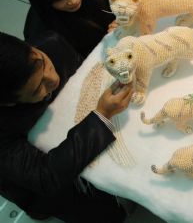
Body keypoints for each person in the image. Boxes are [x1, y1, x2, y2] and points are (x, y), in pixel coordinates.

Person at [0, 31, 134, 222]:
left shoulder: (50, 44)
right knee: (105, 214)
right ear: (9, 103)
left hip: (78, 135)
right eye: (38, 88)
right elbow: (45, 177)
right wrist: (102, 115)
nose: (53, 79)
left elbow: (86, 73)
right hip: (42, 186)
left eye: (45, 63)